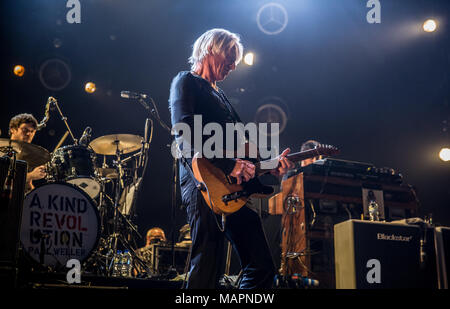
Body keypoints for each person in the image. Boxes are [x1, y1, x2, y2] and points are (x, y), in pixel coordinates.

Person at [169, 28, 294, 289]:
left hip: (231, 187)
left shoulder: (221, 96)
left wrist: (270, 164)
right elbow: (184, 130)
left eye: (236, 60)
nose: (233, 65)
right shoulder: (186, 81)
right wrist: (229, 164)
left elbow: (241, 146)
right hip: (202, 180)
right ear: (209, 50)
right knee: (208, 262)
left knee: (262, 267)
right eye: (230, 56)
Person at [8, 113, 46, 191]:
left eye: (32, 132)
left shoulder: (28, 156)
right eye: (25, 130)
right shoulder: (2, 150)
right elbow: (4, 181)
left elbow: (28, 187)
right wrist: (31, 175)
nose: (29, 134)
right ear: (12, 129)